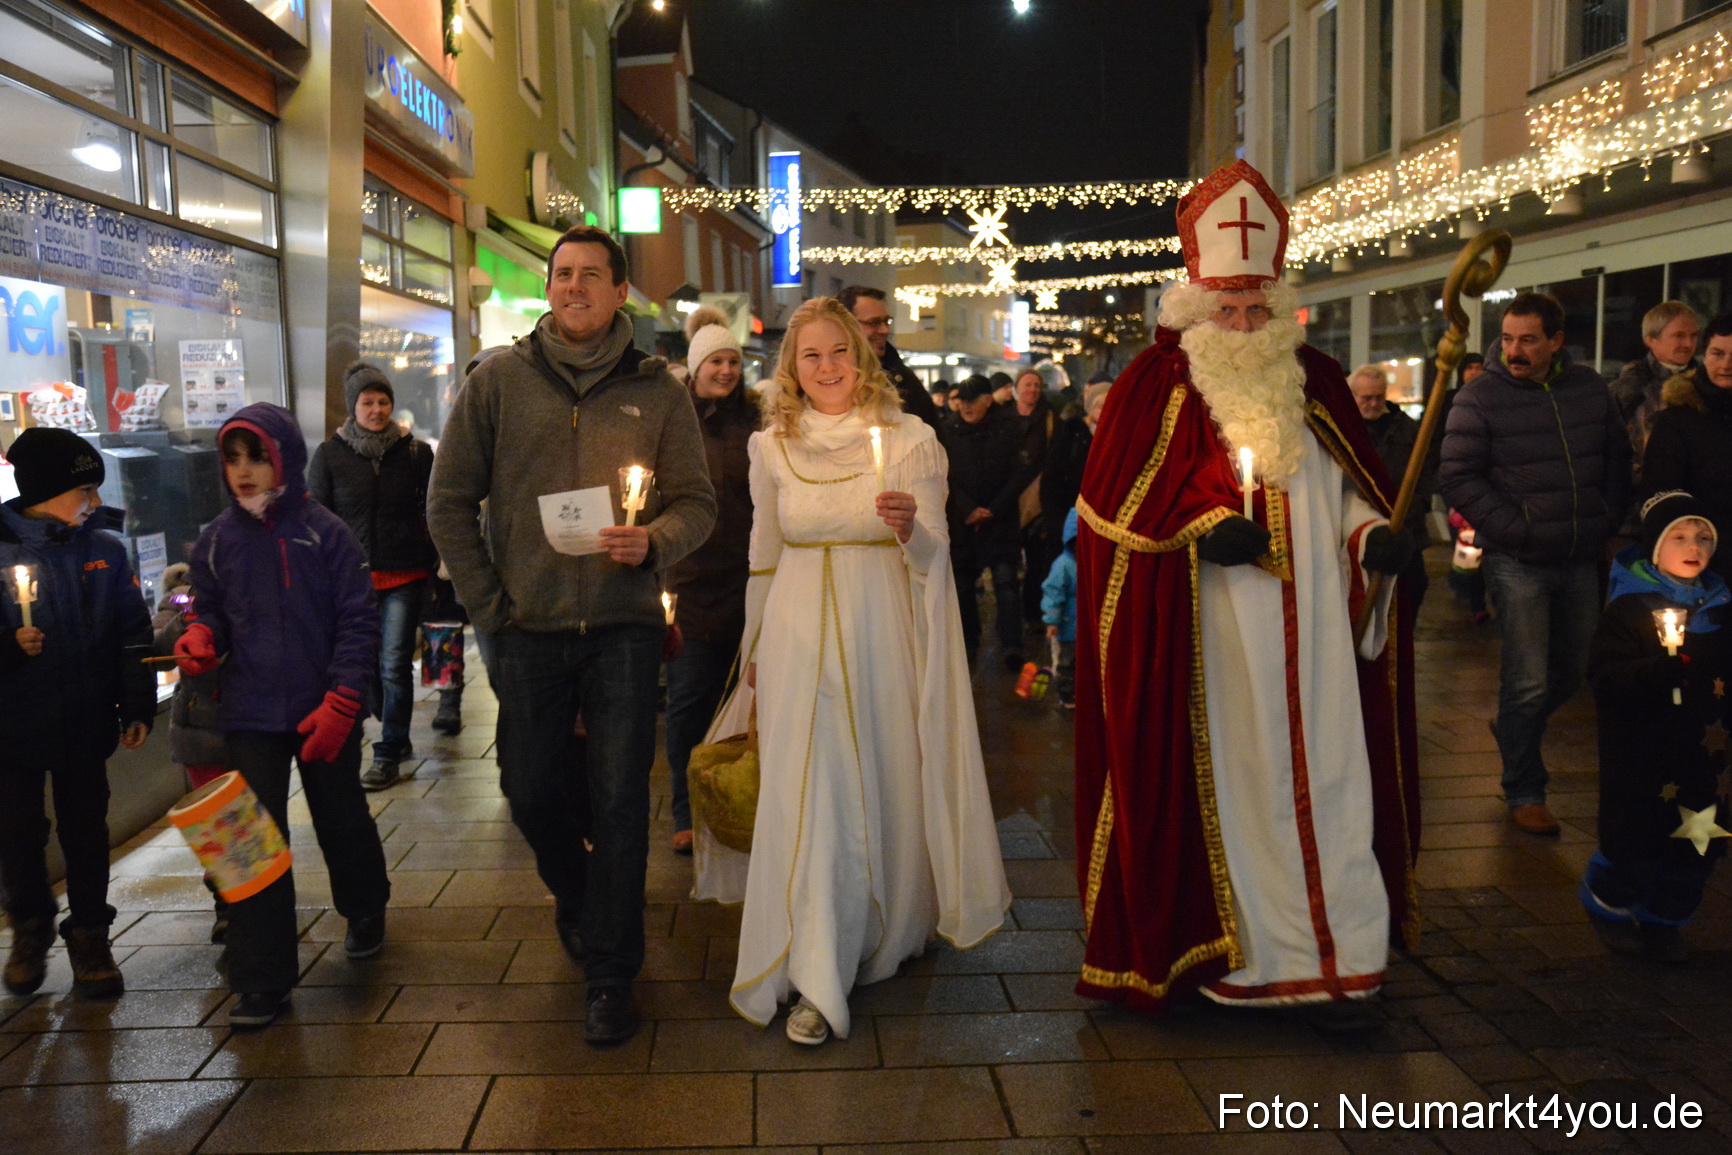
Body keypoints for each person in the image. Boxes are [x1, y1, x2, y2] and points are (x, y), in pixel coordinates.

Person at [1073, 160, 1419, 1028]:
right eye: (1225, 310)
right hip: (1217, 646)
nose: (1242, 322)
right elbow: (1112, 510)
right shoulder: (1156, 389)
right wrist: (1198, 529)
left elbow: (1345, 492)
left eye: (1254, 309)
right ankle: (1251, 960)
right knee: (1241, 797)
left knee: (1334, 782)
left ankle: (1345, 961)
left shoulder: (1314, 386)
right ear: (1194, 308)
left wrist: (1375, 538)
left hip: (1319, 649)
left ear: (1277, 306)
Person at [692, 297, 1009, 1046]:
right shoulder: (772, 446)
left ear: (860, 357)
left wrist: (911, 533)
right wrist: (757, 650)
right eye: (812, 356)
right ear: (792, 368)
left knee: (881, 782)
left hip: (881, 642)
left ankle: (885, 924)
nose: (828, 366)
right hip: (798, 642)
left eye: (839, 351)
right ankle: (817, 972)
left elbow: (936, 555)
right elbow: (763, 557)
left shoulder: (910, 439)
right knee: (815, 796)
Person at [427, 225, 715, 1047]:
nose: (575, 286)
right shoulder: (497, 381)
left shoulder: (658, 390)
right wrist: (492, 605)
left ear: (622, 291)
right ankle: (585, 894)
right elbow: (448, 504)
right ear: (549, 288)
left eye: (593, 274)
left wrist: (652, 540)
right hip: (528, 629)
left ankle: (610, 972)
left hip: (623, 627)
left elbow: (698, 503)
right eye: (563, 274)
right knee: (529, 786)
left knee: (623, 798)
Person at [178, 404, 391, 1028]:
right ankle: (260, 978)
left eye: (257, 457)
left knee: (340, 814)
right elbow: (208, 608)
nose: (243, 472)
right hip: (247, 711)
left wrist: (342, 702)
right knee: (248, 845)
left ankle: (365, 903)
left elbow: (357, 622)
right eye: (233, 458)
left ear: (284, 458)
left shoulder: (326, 533)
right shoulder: (218, 537)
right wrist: (199, 634)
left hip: (323, 707)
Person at [1441, 292, 1630, 837]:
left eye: (1528, 339)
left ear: (1555, 342)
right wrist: (1514, 529)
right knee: (1526, 679)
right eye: (1507, 339)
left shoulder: (1589, 388)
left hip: (1578, 554)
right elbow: (1458, 475)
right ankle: (1524, 788)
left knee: (1572, 672)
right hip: (1519, 559)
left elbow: (1616, 457)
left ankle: (1515, 729)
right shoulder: (1480, 398)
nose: (1514, 350)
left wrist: (1606, 516)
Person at [1, 429, 152, 999]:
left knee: (87, 831)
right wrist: (11, 645)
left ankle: (90, 934)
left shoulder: (104, 550)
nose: (93, 501)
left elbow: (131, 633)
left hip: (86, 718)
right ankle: (30, 927)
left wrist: (136, 702)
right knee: (18, 834)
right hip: (12, 725)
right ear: (45, 490)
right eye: (84, 489)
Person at [1581, 491, 1730, 962]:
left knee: (1697, 846)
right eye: (1680, 536)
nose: (1695, 546)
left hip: (1704, 755)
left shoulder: (1721, 609)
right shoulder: (1628, 611)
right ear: (1655, 548)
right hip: (1644, 755)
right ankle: (1610, 906)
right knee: (1638, 843)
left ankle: (1666, 922)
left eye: (1704, 537)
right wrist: (1653, 672)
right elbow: (1605, 676)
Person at [308, 363, 440, 790]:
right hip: (352, 579)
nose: (377, 409)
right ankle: (392, 727)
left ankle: (388, 751)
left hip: (404, 572)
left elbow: (433, 510)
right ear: (353, 407)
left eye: (383, 401)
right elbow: (318, 520)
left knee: (394, 663)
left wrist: (432, 559)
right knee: (366, 669)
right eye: (368, 402)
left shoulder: (415, 453)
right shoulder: (330, 456)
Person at [662, 305, 756, 855]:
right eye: (715, 361)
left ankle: (744, 801)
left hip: (748, 578)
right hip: (693, 582)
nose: (725, 370)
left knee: (749, 701)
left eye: (732, 361)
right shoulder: (678, 421)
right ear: (696, 368)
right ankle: (685, 806)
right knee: (690, 701)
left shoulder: (757, 421)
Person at [151, 562, 229, 942]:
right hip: (200, 729)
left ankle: (258, 903)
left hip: (256, 724)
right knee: (218, 822)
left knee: (257, 822)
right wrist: (187, 621)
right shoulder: (182, 596)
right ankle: (227, 904)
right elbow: (159, 647)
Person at [943, 376, 1030, 667]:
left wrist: (993, 509)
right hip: (963, 522)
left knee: (1006, 582)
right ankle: (967, 642)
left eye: (972, 401)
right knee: (963, 585)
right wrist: (968, 509)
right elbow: (945, 477)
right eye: (961, 401)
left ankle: (1012, 645)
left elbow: (1019, 473)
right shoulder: (949, 431)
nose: (965, 407)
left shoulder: (1007, 428)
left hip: (999, 520)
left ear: (987, 400)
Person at [1639, 313, 1732, 580]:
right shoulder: (1678, 418)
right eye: (1717, 354)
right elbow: (1660, 491)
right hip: (1701, 557)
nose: (1726, 364)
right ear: (1704, 355)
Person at [1349, 363, 1435, 610]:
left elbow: (1425, 472)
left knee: (1411, 592)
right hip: (1361, 531)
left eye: (1378, 397)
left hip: (1407, 529)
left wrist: (1415, 509)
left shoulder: (1407, 428)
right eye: (1366, 398)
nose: (1373, 404)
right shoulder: (1344, 431)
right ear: (1353, 396)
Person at [1610, 301, 1701, 465]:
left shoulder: (1706, 381)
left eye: (1694, 335)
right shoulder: (1631, 385)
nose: (1688, 344)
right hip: (1644, 483)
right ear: (1651, 340)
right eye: (1679, 336)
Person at [840, 285, 941, 429]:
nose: (885, 330)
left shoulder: (903, 380)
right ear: (846, 325)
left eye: (886, 321)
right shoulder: (828, 377)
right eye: (873, 323)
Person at [1011, 368, 1058, 628]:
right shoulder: (1004, 417)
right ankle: (1009, 619)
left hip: (1038, 500)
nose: (1033, 390)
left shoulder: (1049, 418)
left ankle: (1032, 613)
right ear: (1018, 388)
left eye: (1037, 385)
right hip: (1008, 497)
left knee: (1037, 563)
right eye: (1028, 385)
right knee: (1007, 564)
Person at [1041, 508, 1080, 709]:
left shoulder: (1088, 562)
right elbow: (1053, 592)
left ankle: (1079, 692)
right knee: (1067, 662)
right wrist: (1052, 621)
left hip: (1084, 625)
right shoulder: (1064, 564)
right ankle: (1067, 695)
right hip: (1068, 625)